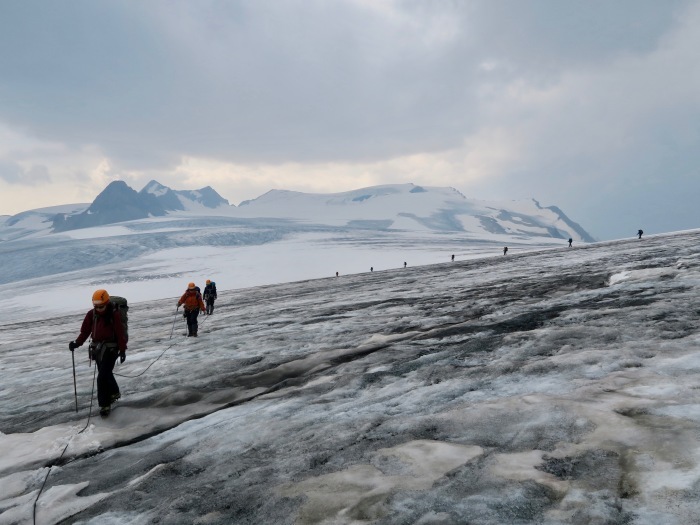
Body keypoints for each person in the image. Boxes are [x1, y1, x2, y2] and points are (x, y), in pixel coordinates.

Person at [69, 289, 127, 417]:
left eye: (101, 306)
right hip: (98, 350)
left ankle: (104, 405)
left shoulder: (114, 314)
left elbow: (120, 333)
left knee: (101, 377)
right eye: (96, 306)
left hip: (111, 349)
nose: (99, 309)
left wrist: (122, 350)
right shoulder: (91, 315)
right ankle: (114, 393)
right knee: (105, 374)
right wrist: (77, 343)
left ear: (107, 303)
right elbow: (85, 332)